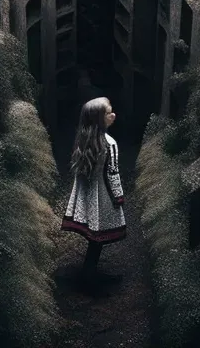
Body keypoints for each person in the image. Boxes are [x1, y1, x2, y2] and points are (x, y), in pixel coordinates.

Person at [60, 97, 126, 279]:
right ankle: (89, 273)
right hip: (103, 194)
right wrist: (118, 196)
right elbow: (112, 173)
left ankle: (88, 270)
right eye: (108, 113)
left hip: (88, 191)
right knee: (99, 233)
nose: (113, 115)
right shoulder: (110, 143)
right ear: (98, 118)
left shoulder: (84, 138)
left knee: (92, 231)